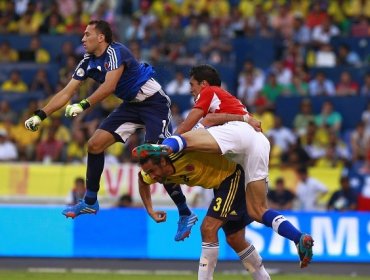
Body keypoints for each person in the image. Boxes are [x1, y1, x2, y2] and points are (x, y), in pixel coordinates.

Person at [24, 20, 195, 241]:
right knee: (94, 145)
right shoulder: (87, 61)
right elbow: (66, 92)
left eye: (87, 35)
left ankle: (185, 212)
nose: (83, 39)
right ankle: (90, 200)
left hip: (154, 104)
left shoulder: (116, 51)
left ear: (101, 37)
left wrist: (84, 104)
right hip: (131, 105)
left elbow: (110, 86)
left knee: (155, 159)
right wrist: (41, 115)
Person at [150, 64, 314, 268]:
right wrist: (245, 117)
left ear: (203, 83)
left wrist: (167, 144)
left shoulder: (209, 92)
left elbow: (188, 124)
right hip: (258, 142)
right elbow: (212, 119)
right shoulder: (227, 102)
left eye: (192, 84)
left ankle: (162, 148)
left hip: (237, 134)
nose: (190, 89)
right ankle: (298, 237)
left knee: (186, 138)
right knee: (258, 210)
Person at [133, 144, 271, 280]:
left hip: (232, 176)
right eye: (149, 172)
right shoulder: (156, 172)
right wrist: (150, 210)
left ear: (162, 161)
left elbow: (203, 138)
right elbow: (142, 181)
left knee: (208, 228)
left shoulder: (183, 153)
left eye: (152, 171)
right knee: (235, 239)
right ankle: (263, 277)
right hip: (219, 186)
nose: (152, 176)